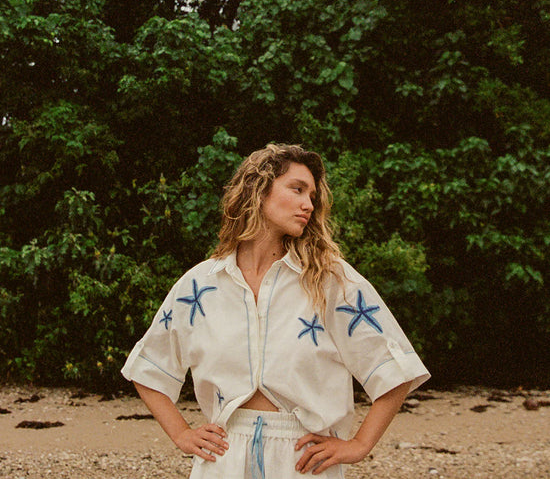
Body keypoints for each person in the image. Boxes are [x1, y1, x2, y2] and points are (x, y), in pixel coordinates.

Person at [121, 143, 430, 478]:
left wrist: (358, 445)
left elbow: (396, 368)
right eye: (297, 190)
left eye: (312, 196)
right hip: (223, 456)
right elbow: (148, 368)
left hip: (302, 459)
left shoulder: (330, 281)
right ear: (258, 190)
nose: (308, 204)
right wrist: (182, 433)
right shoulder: (201, 285)